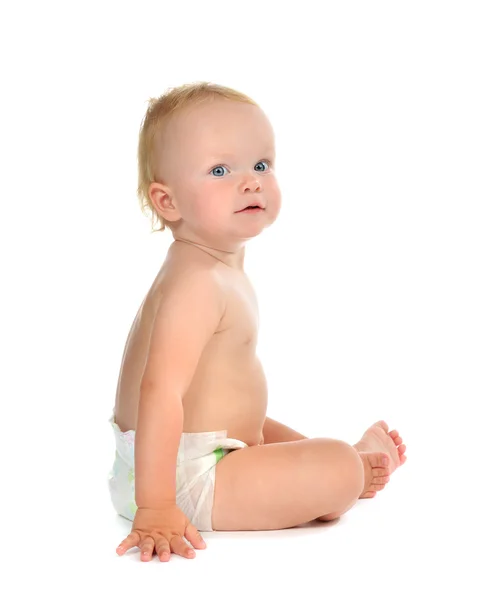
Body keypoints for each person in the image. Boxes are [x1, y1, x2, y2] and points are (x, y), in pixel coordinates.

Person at [108, 81, 407, 563]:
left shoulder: (211, 264)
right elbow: (158, 392)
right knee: (336, 469)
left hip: (197, 452)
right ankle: (346, 469)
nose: (250, 182)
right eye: (220, 170)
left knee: (279, 432)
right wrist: (157, 505)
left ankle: (338, 457)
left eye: (261, 165)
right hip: (175, 476)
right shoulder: (197, 283)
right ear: (168, 202)